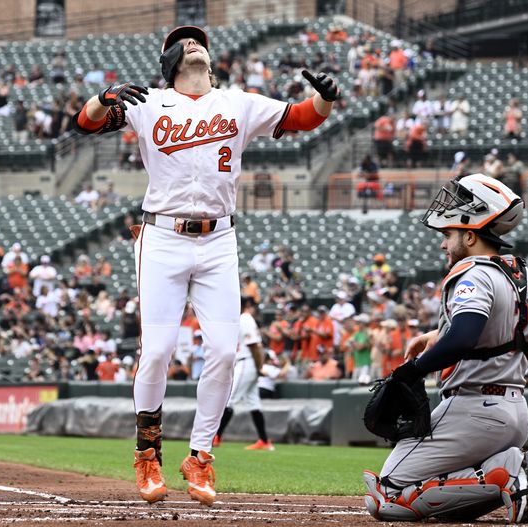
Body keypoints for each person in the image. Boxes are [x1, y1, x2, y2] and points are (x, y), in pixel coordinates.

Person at [70, 25, 339, 506]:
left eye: (200, 43)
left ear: (212, 61)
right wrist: (101, 97)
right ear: (167, 59)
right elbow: (85, 123)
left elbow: (301, 118)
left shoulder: (238, 102)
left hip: (219, 240)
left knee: (222, 349)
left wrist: (324, 100)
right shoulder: (146, 100)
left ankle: (199, 457)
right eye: (184, 43)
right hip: (162, 237)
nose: (194, 45)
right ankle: (147, 452)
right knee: (157, 350)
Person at [363, 174, 528, 523]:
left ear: (470, 235)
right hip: (515, 412)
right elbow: (502, 333)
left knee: (387, 495)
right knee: (438, 492)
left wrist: (412, 370)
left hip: (473, 409)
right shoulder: (520, 275)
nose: (443, 245)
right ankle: (520, 467)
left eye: (448, 235)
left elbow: (466, 336)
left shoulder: (472, 272)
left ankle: (506, 472)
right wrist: (438, 334)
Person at [214, 298, 274, 451]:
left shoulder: (245, 318)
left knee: (230, 398)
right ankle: (264, 441)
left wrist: (259, 366)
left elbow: (254, 345)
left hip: (247, 361)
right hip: (249, 361)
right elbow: (256, 345)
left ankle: (216, 436)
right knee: (253, 402)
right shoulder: (245, 318)